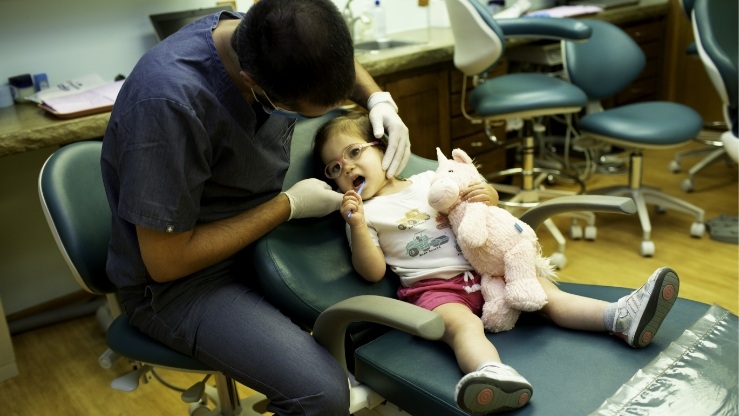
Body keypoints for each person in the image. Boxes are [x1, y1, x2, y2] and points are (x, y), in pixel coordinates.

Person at [101, 1, 411, 415]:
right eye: (302, 110)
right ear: (253, 83)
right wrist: (287, 206)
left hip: (267, 241)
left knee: (392, 324)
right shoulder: (170, 104)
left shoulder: (275, 32)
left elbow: (333, 63)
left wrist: (377, 98)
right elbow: (165, 261)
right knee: (321, 393)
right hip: (184, 283)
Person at [313, 111, 681, 415]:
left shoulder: (430, 180)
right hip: (436, 290)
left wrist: (487, 195)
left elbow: (479, 212)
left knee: (549, 296)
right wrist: (358, 226)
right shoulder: (365, 214)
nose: (345, 167)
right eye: (333, 167)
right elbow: (372, 271)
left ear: (384, 149)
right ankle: (493, 373)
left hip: (487, 271)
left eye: (354, 152)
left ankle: (620, 317)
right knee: (463, 329)